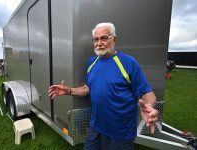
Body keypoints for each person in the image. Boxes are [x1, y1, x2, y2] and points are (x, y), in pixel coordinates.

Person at [48, 22, 158, 150]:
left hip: (120, 134)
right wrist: (68, 90)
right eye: (96, 39)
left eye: (104, 38)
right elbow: (87, 88)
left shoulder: (128, 62)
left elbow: (148, 94)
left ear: (114, 39)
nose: (99, 43)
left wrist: (149, 106)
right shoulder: (91, 62)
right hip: (96, 128)